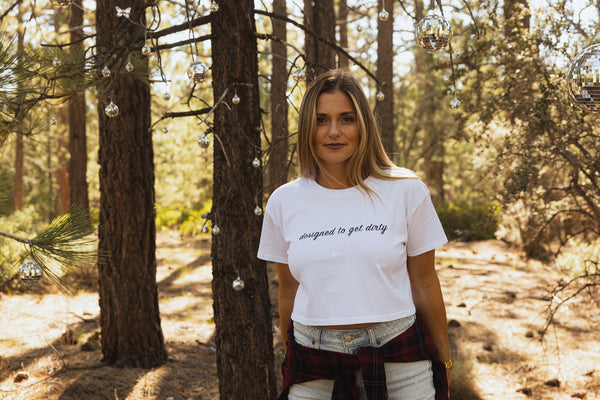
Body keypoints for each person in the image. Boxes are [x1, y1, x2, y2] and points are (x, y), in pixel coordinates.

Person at [258, 69, 451, 400]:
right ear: (307, 127)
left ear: (363, 124)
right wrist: (290, 355)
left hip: (399, 356)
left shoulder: (405, 190)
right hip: (313, 359)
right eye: (321, 120)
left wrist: (444, 363)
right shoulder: (283, 201)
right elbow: (288, 289)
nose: (333, 131)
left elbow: (424, 282)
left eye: (346, 119)